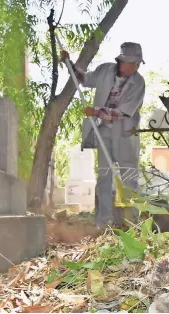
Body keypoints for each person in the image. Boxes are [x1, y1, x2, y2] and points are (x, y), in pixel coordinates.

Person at [61, 42, 146, 229]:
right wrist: (70, 64)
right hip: (104, 131)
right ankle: (102, 222)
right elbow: (84, 79)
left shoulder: (138, 82)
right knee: (104, 176)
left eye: (137, 63)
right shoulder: (105, 71)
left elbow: (124, 112)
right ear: (121, 61)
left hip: (125, 133)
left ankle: (133, 223)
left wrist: (97, 111)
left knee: (129, 177)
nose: (134, 67)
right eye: (131, 63)